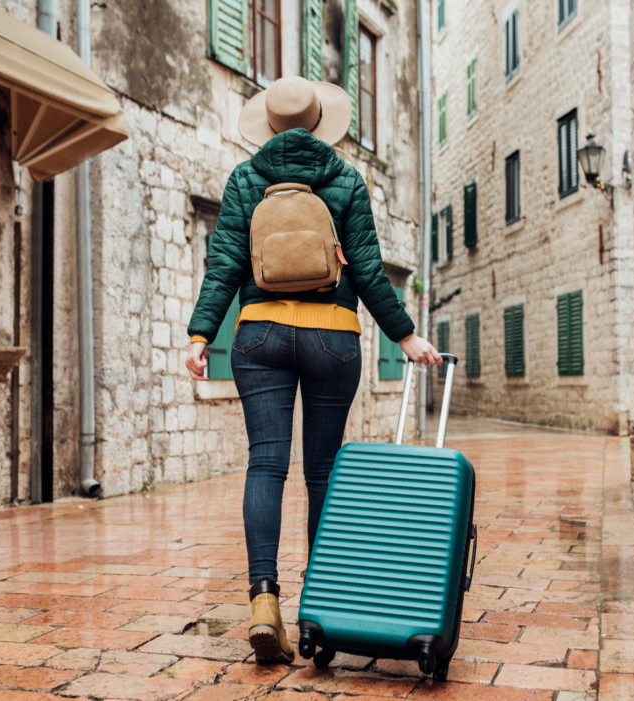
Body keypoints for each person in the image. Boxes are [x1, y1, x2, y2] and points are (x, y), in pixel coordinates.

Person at [184, 76, 441, 664]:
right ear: (323, 121)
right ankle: (319, 612)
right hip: (334, 337)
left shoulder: (246, 178)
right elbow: (370, 270)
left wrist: (201, 334)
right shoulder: (347, 178)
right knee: (323, 472)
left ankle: (264, 601)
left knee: (266, 464)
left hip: (260, 335)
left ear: (269, 125)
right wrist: (405, 335)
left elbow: (223, 263)